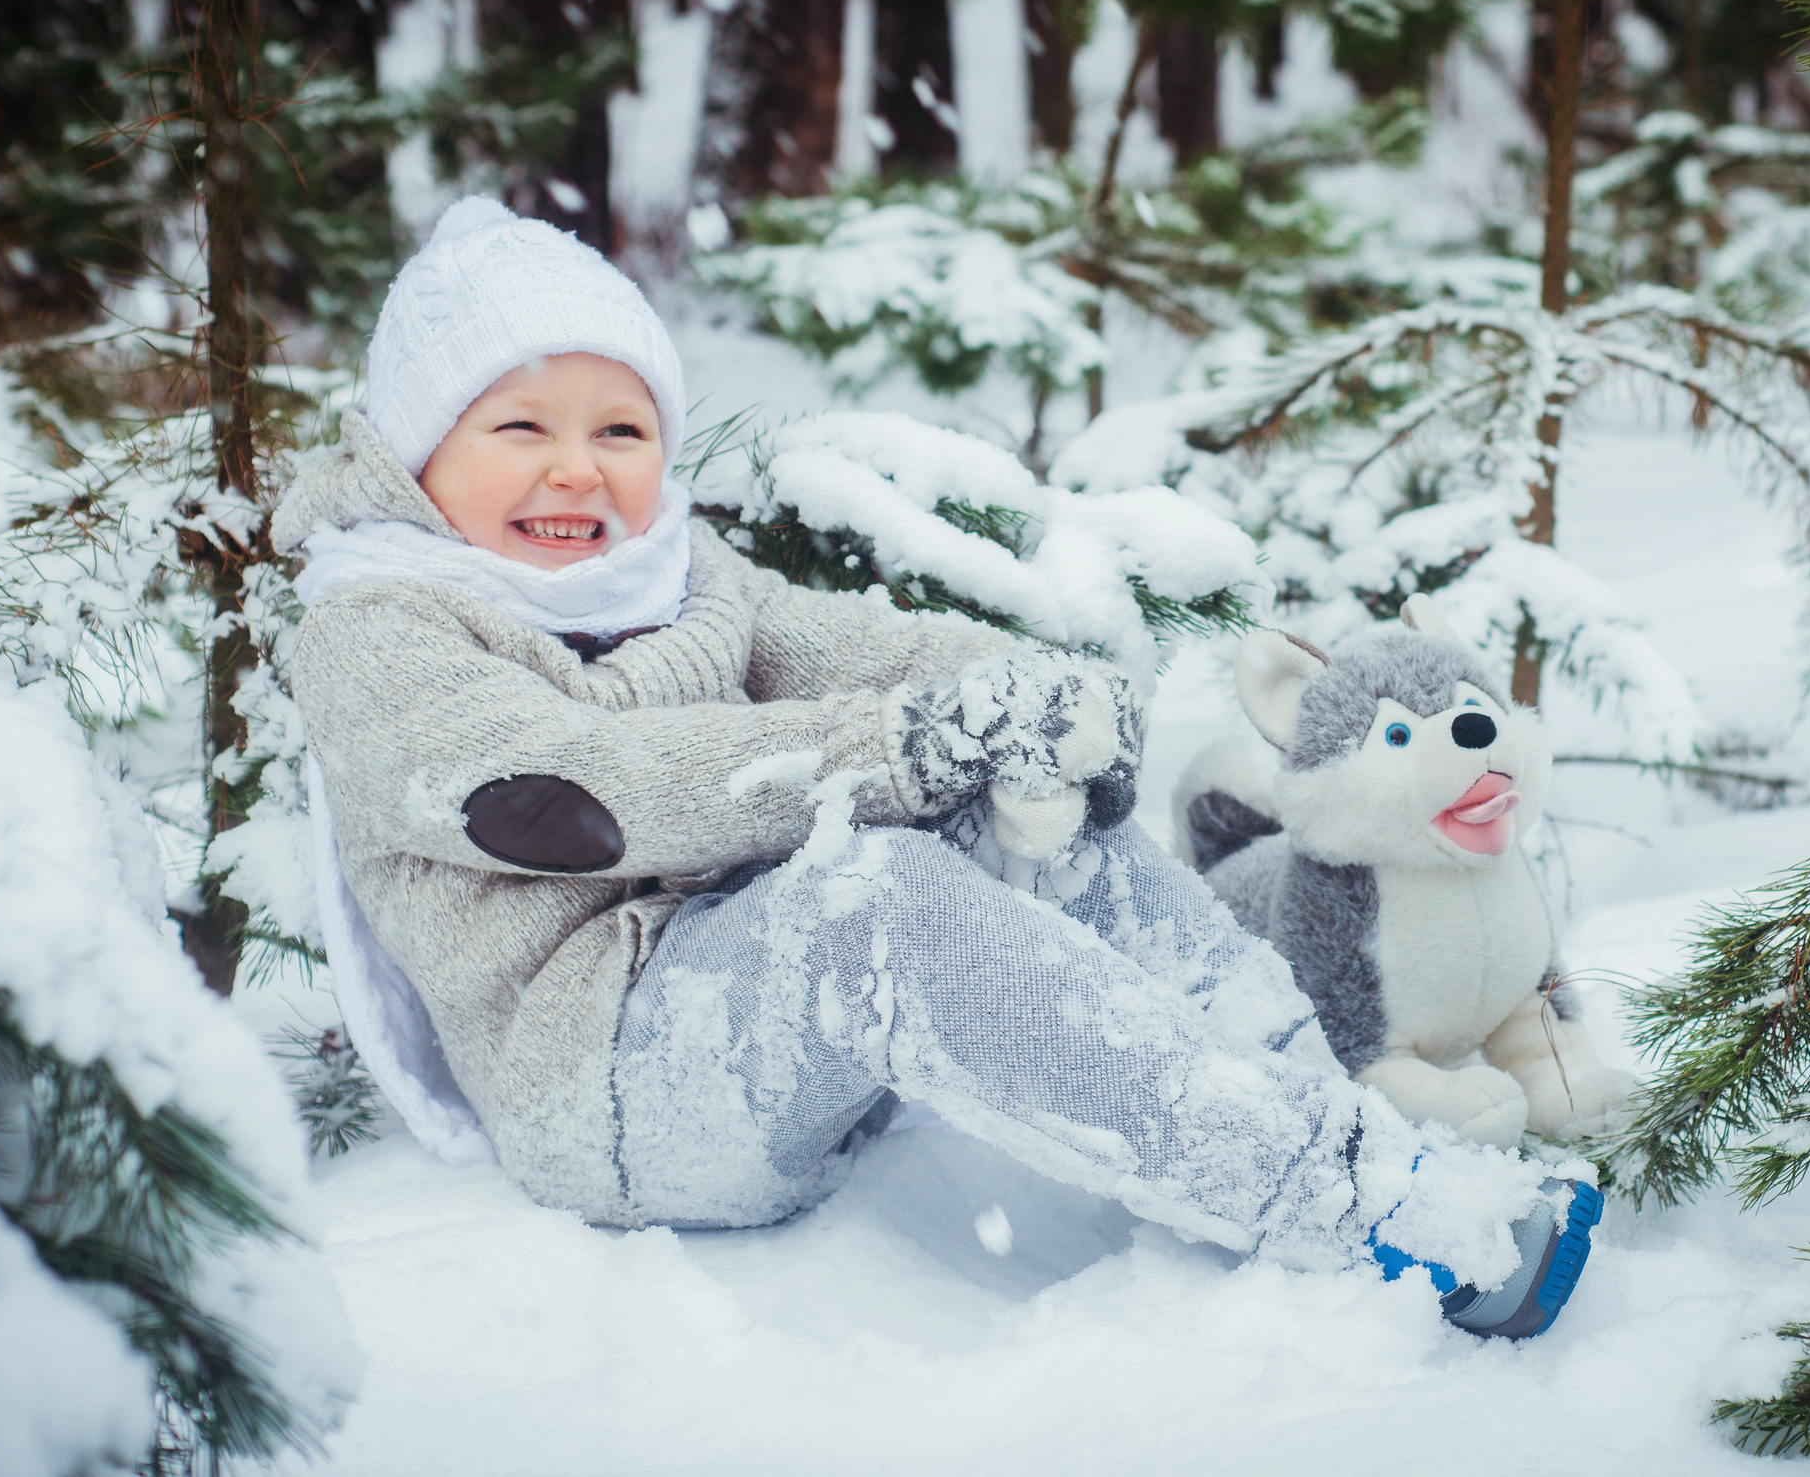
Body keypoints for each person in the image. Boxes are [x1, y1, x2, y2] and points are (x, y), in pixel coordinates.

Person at [276, 197, 1602, 1341]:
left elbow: (868, 646)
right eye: (521, 426)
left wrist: (1035, 697)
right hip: (609, 1092)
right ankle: (1357, 1208)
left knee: (1037, 825)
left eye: (620, 431)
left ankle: (1330, 1107)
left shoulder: (674, 578)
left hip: (765, 1023)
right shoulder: (377, 632)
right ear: (414, 450)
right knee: (876, 903)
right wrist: (904, 748)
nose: (577, 470)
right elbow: (570, 793)